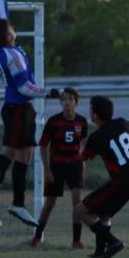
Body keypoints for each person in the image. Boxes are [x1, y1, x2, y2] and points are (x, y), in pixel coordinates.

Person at [0, 0, 56, 228]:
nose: (12, 27)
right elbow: (25, 88)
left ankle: (18, 203)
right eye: (11, 27)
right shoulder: (11, 56)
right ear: (8, 35)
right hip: (16, 108)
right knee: (10, 153)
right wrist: (49, 92)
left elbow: (0, 16)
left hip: (23, 110)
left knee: (25, 155)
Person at [76, 95, 129, 258]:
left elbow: (82, 157)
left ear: (95, 115)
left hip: (121, 181)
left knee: (81, 211)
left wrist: (83, 144)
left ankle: (113, 242)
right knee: (104, 214)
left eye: (90, 110)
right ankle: (100, 251)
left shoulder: (97, 137)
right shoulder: (122, 122)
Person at [32, 87, 88, 249]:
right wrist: (47, 169)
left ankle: (76, 240)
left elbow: (83, 143)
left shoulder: (82, 121)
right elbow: (43, 146)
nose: (66, 102)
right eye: (63, 99)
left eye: (70, 99)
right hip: (57, 167)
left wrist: (83, 161)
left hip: (75, 166)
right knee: (49, 203)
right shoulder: (54, 121)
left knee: (77, 203)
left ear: (76, 103)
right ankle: (36, 237)